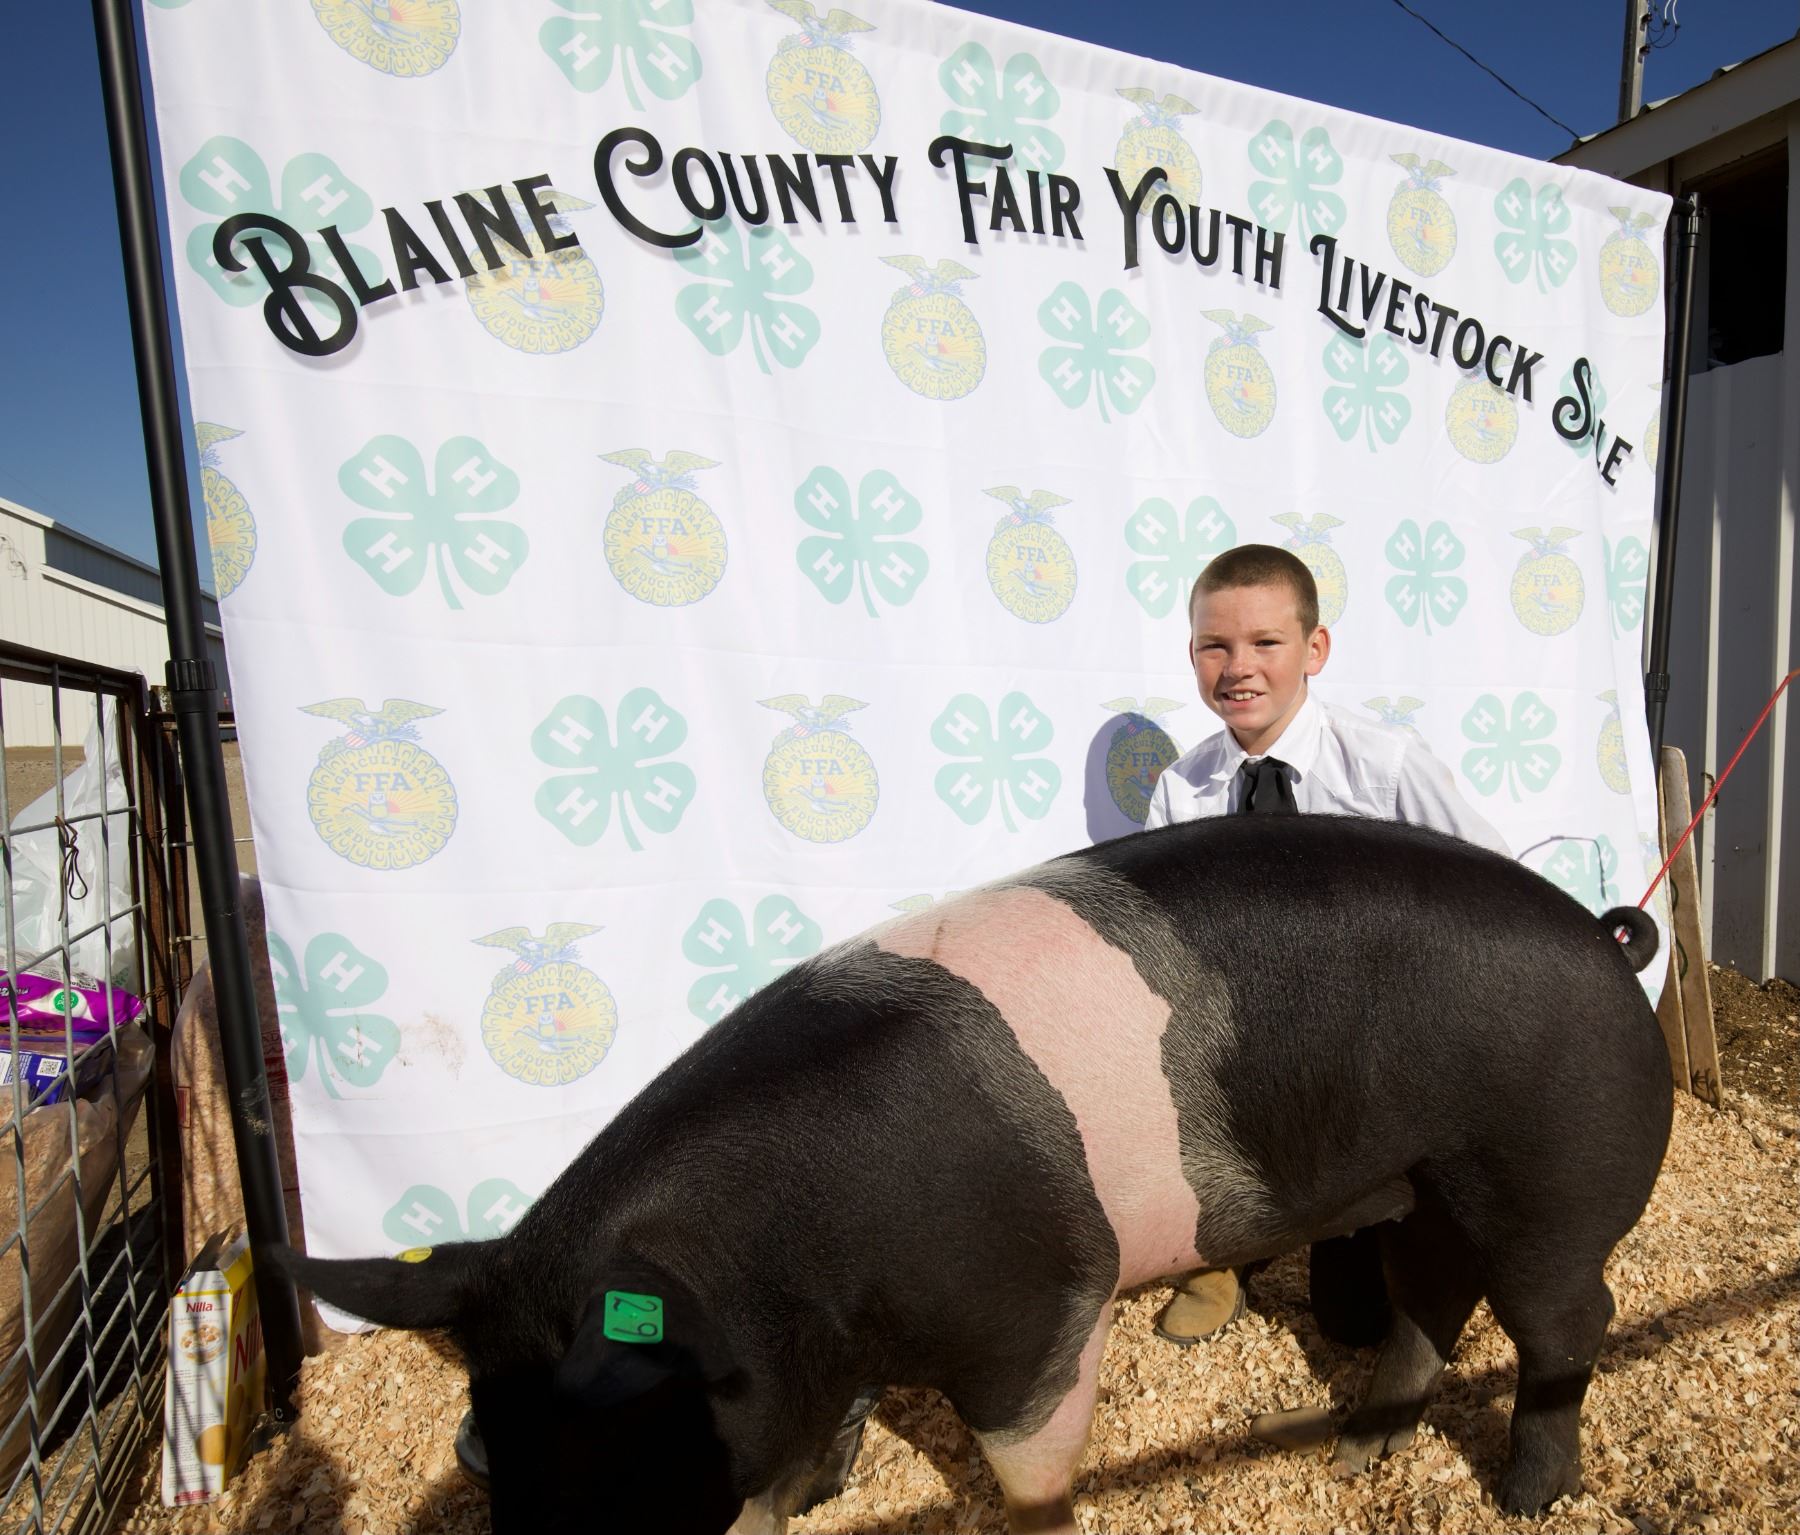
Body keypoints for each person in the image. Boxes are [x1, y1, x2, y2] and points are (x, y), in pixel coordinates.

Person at [1144, 542, 1509, 1348]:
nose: (1239, 667)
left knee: (1353, 1320)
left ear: (1315, 649)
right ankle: (1220, 1253)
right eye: (1215, 645)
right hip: (1243, 1047)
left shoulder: (1384, 767)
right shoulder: (1183, 788)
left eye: (1266, 642)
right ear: (1192, 653)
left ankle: (1384, 1215)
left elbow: (1491, 882)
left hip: (1368, 1056)